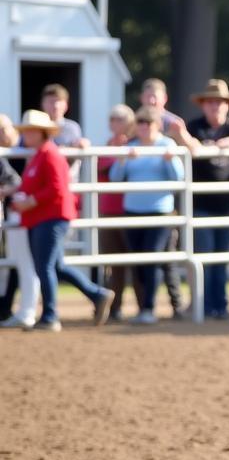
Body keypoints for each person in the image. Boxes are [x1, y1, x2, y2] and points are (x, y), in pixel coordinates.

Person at [9, 110, 113, 331]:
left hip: (50, 218)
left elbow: (57, 188)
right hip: (44, 217)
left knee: (45, 266)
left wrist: (30, 201)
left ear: (41, 133)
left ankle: (50, 315)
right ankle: (96, 294)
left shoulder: (49, 155)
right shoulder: (40, 155)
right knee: (55, 266)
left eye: (30, 131)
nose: (26, 135)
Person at [183, 80, 229, 320]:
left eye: (220, 102)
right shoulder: (194, 128)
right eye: (211, 102)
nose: (215, 107)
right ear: (203, 105)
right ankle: (205, 305)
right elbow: (188, 148)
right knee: (206, 258)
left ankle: (219, 305)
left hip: (225, 205)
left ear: (227, 106)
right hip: (201, 205)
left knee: (221, 259)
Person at [109, 107, 185, 324]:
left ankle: (149, 306)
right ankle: (143, 306)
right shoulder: (130, 147)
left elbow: (179, 177)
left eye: (148, 123)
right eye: (140, 123)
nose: (144, 127)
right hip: (132, 211)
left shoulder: (167, 145)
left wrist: (170, 160)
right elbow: (116, 178)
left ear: (157, 125)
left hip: (160, 212)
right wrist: (123, 160)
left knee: (152, 257)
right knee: (138, 260)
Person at [138, 78, 188, 318]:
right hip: (148, 203)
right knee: (163, 258)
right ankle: (172, 304)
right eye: (148, 96)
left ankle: (174, 304)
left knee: (165, 257)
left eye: (155, 96)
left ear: (163, 99)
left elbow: (188, 153)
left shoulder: (174, 124)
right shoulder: (136, 124)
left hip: (168, 204)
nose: (151, 101)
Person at [96, 104, 140, 321]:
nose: (116, 123)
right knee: (114, 264)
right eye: (113, 119)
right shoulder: (106, 147)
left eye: (120, 119)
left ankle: (144, 306)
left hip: (131, 210)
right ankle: (115, 308)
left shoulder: (135, 146)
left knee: (136, 262)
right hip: (109, 210)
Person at [0, 113, 39, 329]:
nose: (2, 133)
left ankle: (28, 310)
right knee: (15, 262)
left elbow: (21, 184)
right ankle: (12, 309)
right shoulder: (6, 155)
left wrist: (9, 190)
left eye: (5, 128)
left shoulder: (30, 150)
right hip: (15, 212)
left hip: (26, 213)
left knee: (27, 263)